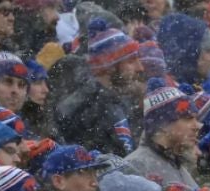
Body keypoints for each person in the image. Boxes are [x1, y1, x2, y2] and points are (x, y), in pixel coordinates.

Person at [55, 19, 144, 155]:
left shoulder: (116, 101)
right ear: (108, 66)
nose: (140, 68)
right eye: (131, 61)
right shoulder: (85, 109)